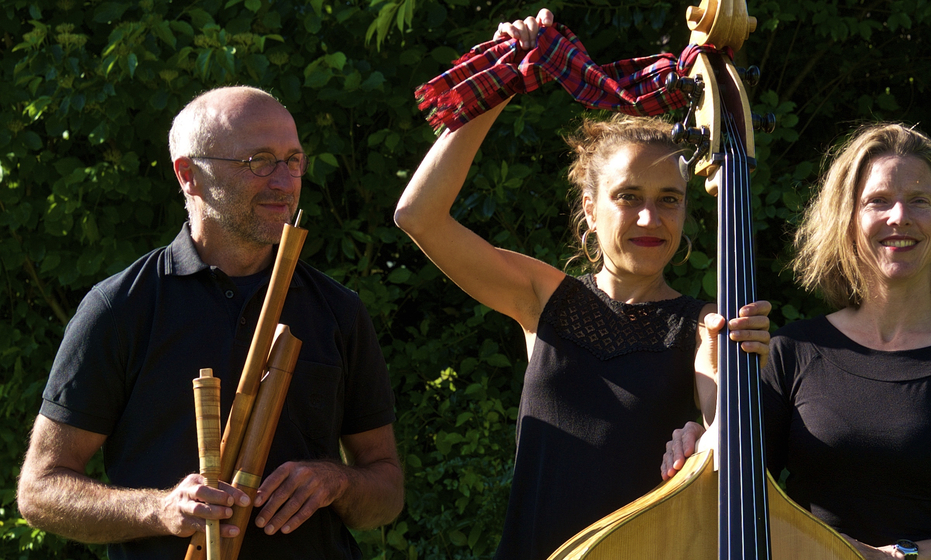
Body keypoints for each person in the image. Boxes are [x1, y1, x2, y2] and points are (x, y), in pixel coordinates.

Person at [396, 10, 770, 560]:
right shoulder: (544, 298)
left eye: (669, 199)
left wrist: (712, 430)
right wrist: (505, 82)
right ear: (591, 210)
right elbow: (418, 216)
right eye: (628, 197)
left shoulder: (706, 324)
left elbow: (719, 423)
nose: (650, 219)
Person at [17, 86, 404, 560]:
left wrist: (336, 481)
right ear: (189, 176)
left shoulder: (338, 310)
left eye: (294, 159)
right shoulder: (120, 308)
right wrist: (161, 509)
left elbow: (385, 491)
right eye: (259, 161)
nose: (285, 182)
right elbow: (40, 490)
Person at [661, 123, 931, 559]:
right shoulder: (793, 352)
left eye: (920, 201)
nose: (899, 217)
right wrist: (710, 430)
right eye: (878, 201)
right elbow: (728, 496)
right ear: (849, 219)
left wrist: (894, 559)